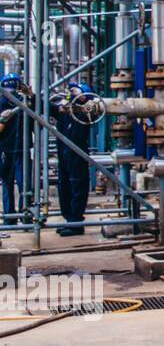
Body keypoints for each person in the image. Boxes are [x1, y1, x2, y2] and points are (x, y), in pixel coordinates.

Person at [53, 82, 94, 236]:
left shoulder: (85, 113)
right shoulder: (65, 113)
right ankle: (69, 219)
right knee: (64, 186)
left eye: (74, 91)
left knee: (78, 186)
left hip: (77, 154)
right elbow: (48, 108)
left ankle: (76, 222)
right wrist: (32, 96)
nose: (70, 94)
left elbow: (91, 112)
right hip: (64, 153)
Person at [0, 73, 25, 217]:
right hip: (9, 148)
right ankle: (21, 214)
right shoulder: (23, 102)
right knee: (15, 183)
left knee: (15, 183)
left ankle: (16, 215)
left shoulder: (24, 102)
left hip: (18, 147)